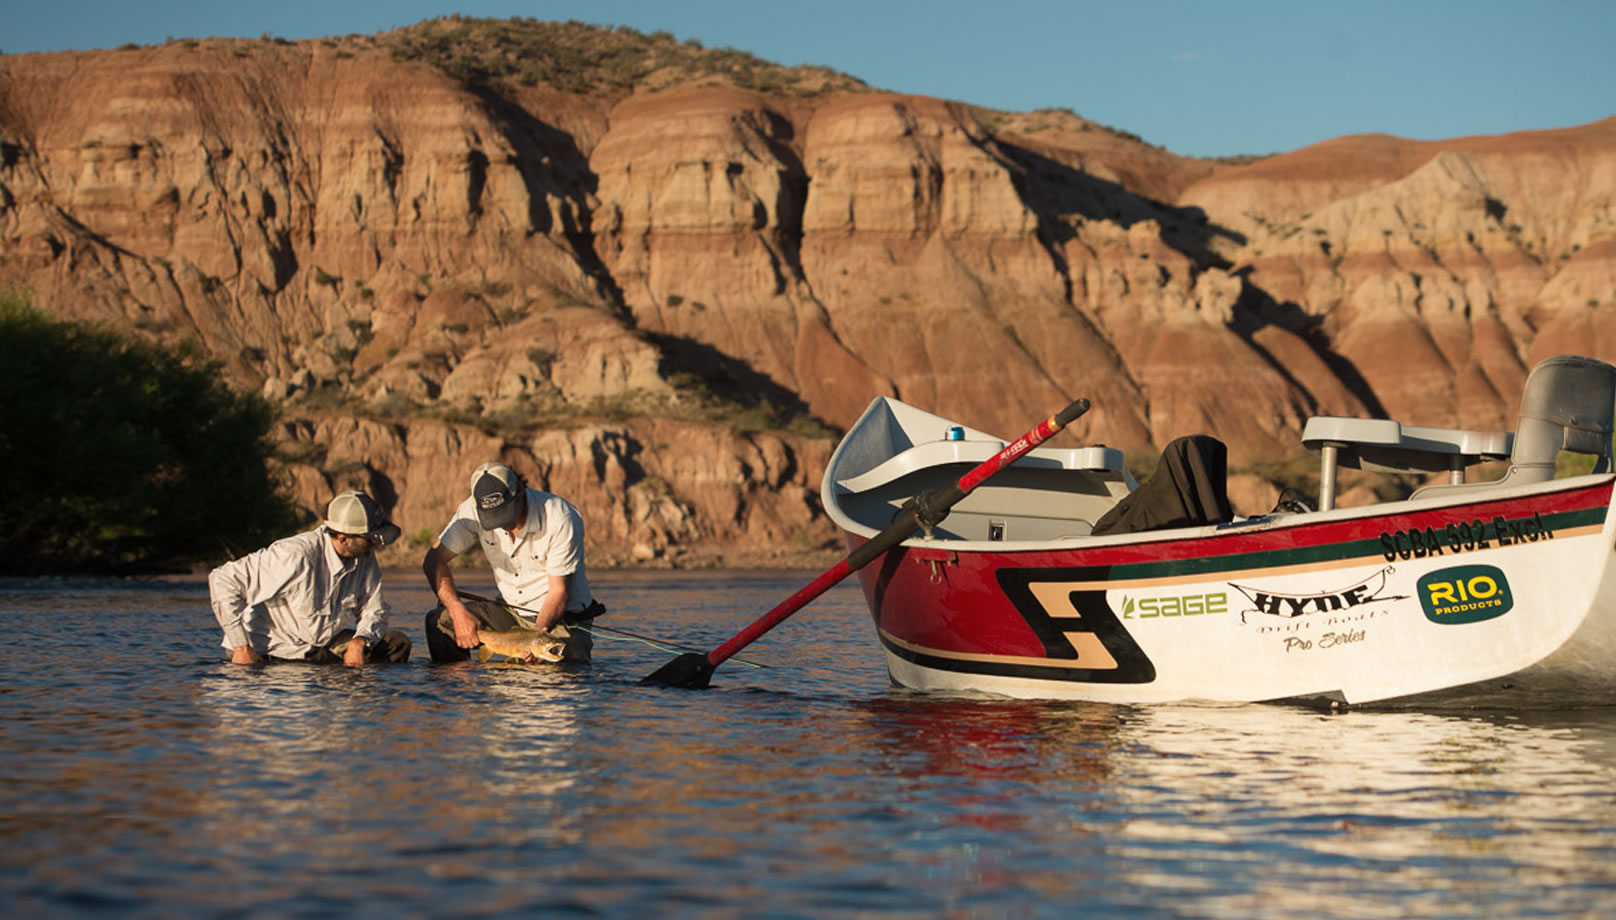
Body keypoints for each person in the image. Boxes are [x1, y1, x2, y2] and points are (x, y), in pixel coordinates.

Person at [422, 462, 603, 663]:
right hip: (510, 612)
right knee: (440, 622)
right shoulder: (470, 510)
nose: (502, 524)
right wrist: (457, 610)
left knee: (548, 667)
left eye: (504, 513)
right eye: (492, 517)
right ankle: (459, 679)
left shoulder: (559, 517)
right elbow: (434, 561)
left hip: (561, 618)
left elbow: (559, 592)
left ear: (520, 492)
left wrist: (536, 638)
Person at [208, 490, 411, 665]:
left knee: (396, 644)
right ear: (344, 539)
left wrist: (361, 641)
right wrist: (241, 648)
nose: (375, 544)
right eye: (369, 539)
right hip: (271, 652)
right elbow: (222, 580)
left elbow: (373, 609)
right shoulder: (295, 555)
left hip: (319, 646)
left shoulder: (364, 556)